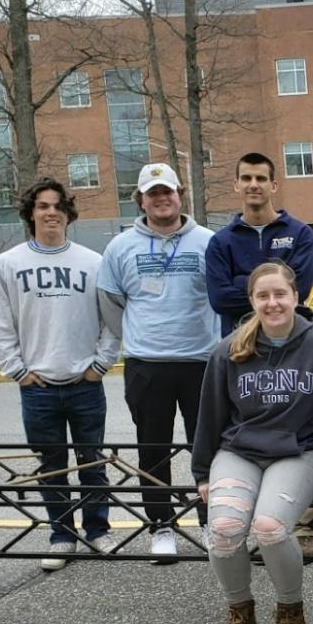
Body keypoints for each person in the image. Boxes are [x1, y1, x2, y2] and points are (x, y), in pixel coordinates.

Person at [191, 263, 313, 624]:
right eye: (263, 296)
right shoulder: (229, 348)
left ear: (295, 297)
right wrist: (203, 472)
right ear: (252, 301)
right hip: (239, 452)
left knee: (270, 527)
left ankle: (291, 610)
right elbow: (211, 415)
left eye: (280, 294)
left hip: (299, 452)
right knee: (223, 528)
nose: (272, 303)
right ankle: (241, 612)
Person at [0, 177, 119, 571]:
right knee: (52, 465)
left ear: (68, 213)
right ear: (31, 213)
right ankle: (61, 536)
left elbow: (112, 320)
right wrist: (18, 371)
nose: (51, 212)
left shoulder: (92, 262)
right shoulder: (9, 264)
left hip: (84, 384)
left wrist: (100, 366)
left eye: (58, 205)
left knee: (91, 461)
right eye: (42, 205)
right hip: (38, 386)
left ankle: (98, 531)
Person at [97, 162, 219, 562]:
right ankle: (161, 524)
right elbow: (111, 302)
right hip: (147, 364)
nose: (161, 198)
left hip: (201, 360)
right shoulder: (120, 247)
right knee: (153, 447)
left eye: (167, 191)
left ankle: (212, 521)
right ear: (141, 200)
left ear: (179, 194)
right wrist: (139, 336)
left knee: (208, 448)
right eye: (153, 193)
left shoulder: (207, 241)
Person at [205, 152, 313, 336]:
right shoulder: (220, 242)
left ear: (273, 186)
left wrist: (240, 281)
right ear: (236, 185)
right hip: (239, 345)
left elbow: (299, 291)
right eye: (246, 178)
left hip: (290, 343)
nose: (254, 185)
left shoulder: (300, 234)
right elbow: (220, 300)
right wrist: (277, 289)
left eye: (261, 179)